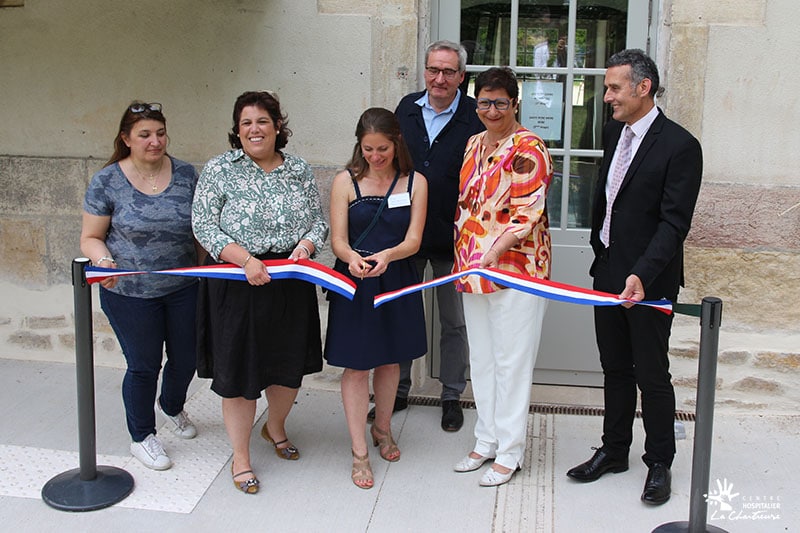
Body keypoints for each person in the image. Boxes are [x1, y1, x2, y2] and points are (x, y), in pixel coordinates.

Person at [566, 49, 703, 506]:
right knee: (614, 368)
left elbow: (673, 223)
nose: (607, 97)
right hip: (607, 272)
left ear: (643, 87)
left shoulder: (681, 146)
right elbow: (610, 199)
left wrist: (641, 274)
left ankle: (659, 461)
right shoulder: (612, 132)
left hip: (650, 280)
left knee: (651, 373)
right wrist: (601, 253)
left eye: (614, 88)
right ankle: (614, 450)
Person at [192, 91, 328, 495]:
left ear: (277, 126)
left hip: (288, 282)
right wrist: (246, 259)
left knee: (287, 369)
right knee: (239, 373)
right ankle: (241, 456)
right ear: (237, 129)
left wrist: (305, 247)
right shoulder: (220, 169)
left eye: (263, 121)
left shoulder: (299, 170)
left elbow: (318, 223)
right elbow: (204, 225)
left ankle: (275, 427)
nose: (255, 129)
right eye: (247, 122)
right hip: (238, 282)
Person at [80, 101, 201, 471]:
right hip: (130, 294)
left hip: (184, 287)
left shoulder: (186, 174)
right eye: (144, 135)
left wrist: (208, 270)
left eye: (160, 133)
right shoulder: (107, 180)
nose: (154, 141)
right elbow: (91, 237)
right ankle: (142, 436)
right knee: (144, 365)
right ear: (126, 139)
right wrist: (104, 262)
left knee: (187, 358)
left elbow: (199, 230)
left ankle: (172, 405)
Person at [452, 67, 553, 487]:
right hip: (472, 268)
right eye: (484, 102)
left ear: (515, 104)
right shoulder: (474, 143)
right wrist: (469, 258)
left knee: (512, 363)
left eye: (500, 103)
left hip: (517, 270)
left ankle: (510, 451)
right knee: (483, 358)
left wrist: (490, 253)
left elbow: (526, 216)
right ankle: (485, 439)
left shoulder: (529, 148)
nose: (491, 110)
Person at [324, 108, 428, 489]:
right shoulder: (344, 182)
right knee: (355, 366)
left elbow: (414, 240)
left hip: (396, 275)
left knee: (390, 361)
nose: (375, 156)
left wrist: (387, 256)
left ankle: (382, 429)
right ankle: (358, 451)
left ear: (397, 142)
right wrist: (352, 258)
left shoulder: (416, 181)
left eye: (382, 148)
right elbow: (337, 239)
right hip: (354, 281)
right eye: (367, 149)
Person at [391, 39, 485, 432]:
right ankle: (397, 388)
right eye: (433, 69)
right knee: (401, 312)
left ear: (462, 76)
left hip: (455, 237)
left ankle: (451, 394)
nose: (439, 78)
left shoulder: (475, 116)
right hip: (406, 234)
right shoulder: (406, 109)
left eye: (448, 71)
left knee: (454, 321)